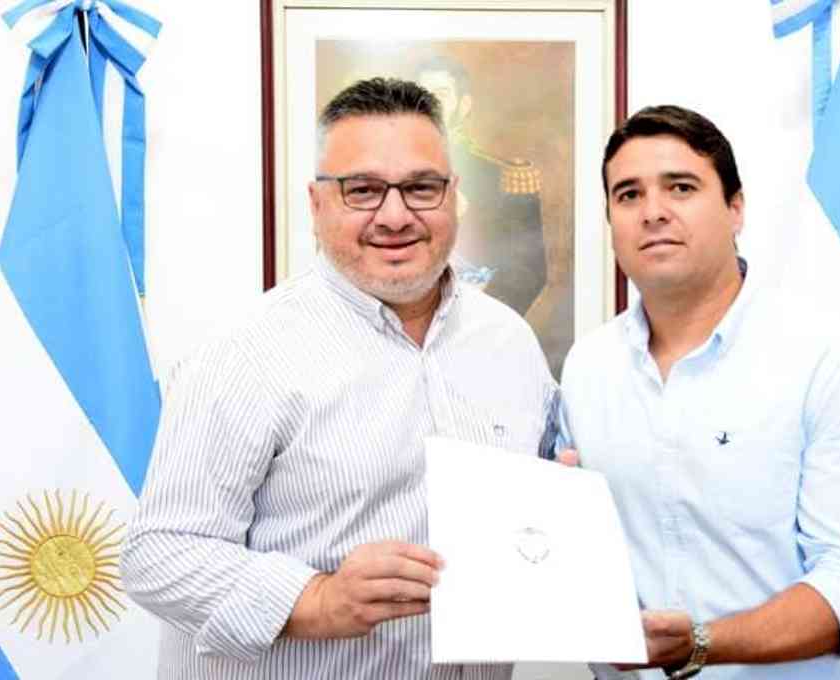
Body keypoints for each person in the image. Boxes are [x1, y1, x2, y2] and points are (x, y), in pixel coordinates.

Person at [122, 77, 556, 680]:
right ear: (317, 202)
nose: (395, 216)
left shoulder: (510, 342)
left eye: (421, 188)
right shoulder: (244, 354)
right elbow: (158, 554)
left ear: (452, 195)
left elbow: (532, 517)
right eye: (364, 191)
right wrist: (316, 599)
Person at [557, 106, 840, 679]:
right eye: (628, 195)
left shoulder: (832, 358)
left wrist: (702, 644)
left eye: (681, 187)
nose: (653, 212)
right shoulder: (587, 368)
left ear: (736, 209)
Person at [416, 56, 548, 320]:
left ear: (464, 105)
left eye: (441, 94)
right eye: (421, 94)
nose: (428, 103)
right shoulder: (381, 174)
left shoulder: (506, 176)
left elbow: (527, 272)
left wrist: (482, 327)